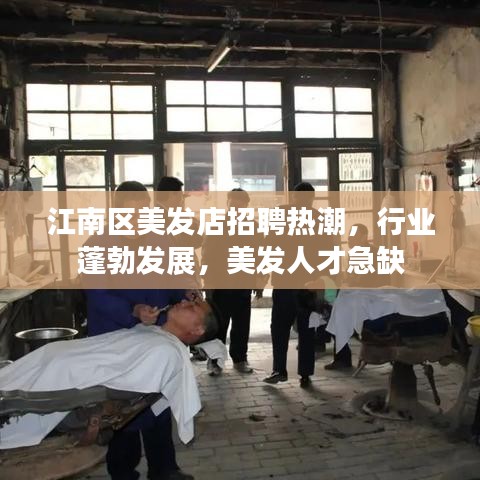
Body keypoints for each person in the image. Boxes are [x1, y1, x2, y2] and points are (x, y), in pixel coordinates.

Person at [84, 180, 195, 480]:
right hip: (115, 340)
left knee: (158, 399)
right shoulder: (97, 245)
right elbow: (97, 295)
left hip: (154, 339)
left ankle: (164, 468)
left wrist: (186, 291)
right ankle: (123, 472)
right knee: (122, 409)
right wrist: (132, 311)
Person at [263, 182, 337, 389]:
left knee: (281, 328)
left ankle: (280, 370)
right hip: (306, 286)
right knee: (305, 330)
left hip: (288, 284)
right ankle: (304, 374)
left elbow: (268, 246)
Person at [202, 188, 264, 376]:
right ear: (228, 203)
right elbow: (207, 255)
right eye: (233, 203)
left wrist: (259, 280)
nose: (236, 207)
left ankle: (240, 359)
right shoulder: (217, 225)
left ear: (246, 206)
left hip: (243, 283)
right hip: (220, 284)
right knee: (219, 325)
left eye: (240, 204)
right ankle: (215, 360)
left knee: (242, 324)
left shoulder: (253, 227)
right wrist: (207, 282)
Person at [324, 223, 381, 371]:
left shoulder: (371, 253)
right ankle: (341, 354)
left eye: (353, 236)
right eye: (349, 236)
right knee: (333, 307)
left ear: (364, 237)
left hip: (369, 297)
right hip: (359, 294)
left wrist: (349, 281)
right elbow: (351, 278)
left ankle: (342, 357)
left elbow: (362, 280)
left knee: (337, 313)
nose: (350, 239)